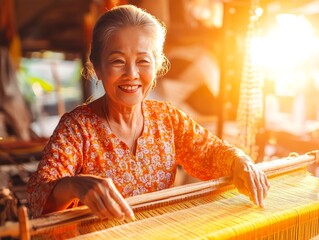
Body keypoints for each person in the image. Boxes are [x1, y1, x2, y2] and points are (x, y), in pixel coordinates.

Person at [27, 4, 270, 221]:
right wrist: (74, 186)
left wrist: (241, 161)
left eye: (143, 61)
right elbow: (38, 197)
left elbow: (210, 153)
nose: (132, 74)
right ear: (98, 67)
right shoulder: (77, 129)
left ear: (157, 65)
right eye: (118, 61)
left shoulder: (167, 119)